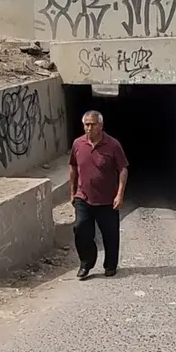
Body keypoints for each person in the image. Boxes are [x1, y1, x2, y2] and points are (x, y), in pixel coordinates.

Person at [69, 110, 129, 279]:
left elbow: (123, 169)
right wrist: (72, 192)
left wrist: (120, 194)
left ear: (101, 126)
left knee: (110, 234)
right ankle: (86, 263)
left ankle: (110, 265)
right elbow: (73, 167)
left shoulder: (113, 145)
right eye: (86, 124)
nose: (89, 128)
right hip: (83, 197)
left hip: (107, 199)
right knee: (80, 228)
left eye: (93, 124)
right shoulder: (78, 144)